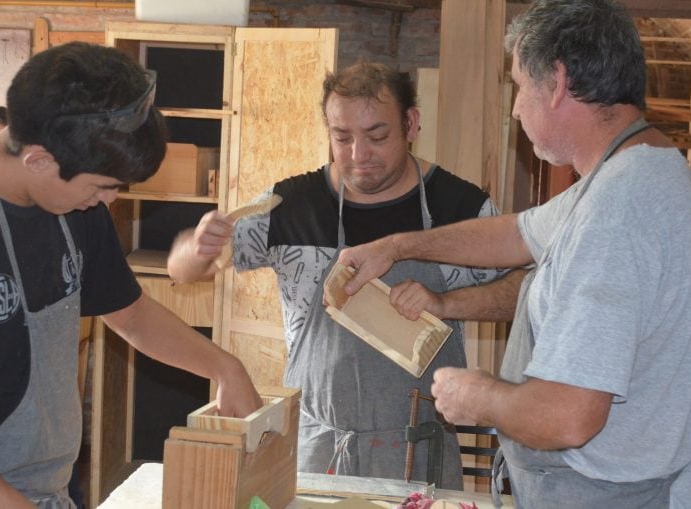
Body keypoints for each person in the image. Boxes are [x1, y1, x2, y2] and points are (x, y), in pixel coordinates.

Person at [336, 1, 691, 508]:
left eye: (518, 86)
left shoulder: (617, 213)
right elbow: (518, 233)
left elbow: (567, 416)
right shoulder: (637, 170)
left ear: (556, 82)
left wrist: (477, 395)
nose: (514, 108)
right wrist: (397, 247)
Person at [168, 60, 525, 489]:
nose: (359, 156)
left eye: (377, 136)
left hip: (418, 451)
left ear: (411, 124)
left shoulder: (461, 208)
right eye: (342, 138)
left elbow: (525, 289)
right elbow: (184, 270)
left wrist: (447, 304)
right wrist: (198, 245)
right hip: (317, 450)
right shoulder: (291, 206)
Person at [0, 41, 262, 508]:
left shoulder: (73, 198)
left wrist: (223, 366)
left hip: (49, 489)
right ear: (38, 159)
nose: (109, 201)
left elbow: (130, 313)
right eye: (103, 186)